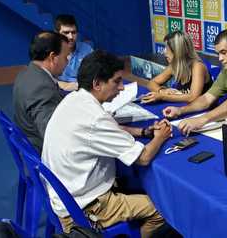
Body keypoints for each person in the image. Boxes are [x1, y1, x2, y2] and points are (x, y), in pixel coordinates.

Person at [42, 50, 171, 237]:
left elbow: (107, 129)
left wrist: (143, 131)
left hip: (67, 197)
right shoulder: (95, 118)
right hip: (85, 209)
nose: (121, 88)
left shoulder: (74, 100)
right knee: (165, 209)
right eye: (117, 81)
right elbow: (143, 158)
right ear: (97, 84)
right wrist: (160, 136)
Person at [13, 31, 71, 153]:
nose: (67, 62)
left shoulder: (26, 73)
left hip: (31, 140)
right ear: (52, 57)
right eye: (66, 57)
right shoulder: (41, 87)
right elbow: (52, 135)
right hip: (43, 151)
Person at [142, 31, 213, 103]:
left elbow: (193, 97)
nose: (164, 52)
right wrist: (161, 91)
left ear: (177, 51)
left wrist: (163, 96)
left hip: (203, 110)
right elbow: (151, 83)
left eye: (166, 48)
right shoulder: (174, 66)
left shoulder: (198, 67)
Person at [54, 14, 94, 91]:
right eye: (66, 33)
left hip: (82, 92)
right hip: (57, 93)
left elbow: (95, 75)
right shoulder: (50, 52)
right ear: (56, 33)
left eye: (73, 32)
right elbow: (44, 77)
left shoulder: (87, 50)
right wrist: (65, 85)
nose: (71, 37)